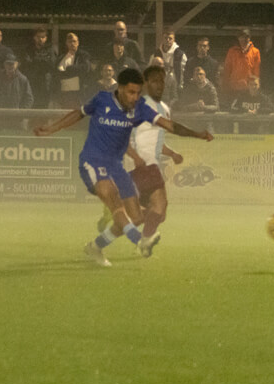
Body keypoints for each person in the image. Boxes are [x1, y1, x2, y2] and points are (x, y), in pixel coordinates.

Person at [32, 67, 213, 266]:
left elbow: (170, 125)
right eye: (131, 92)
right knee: (114, 201)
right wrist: (52, 128)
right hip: (92, 161)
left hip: (116, 167)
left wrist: (197, 134)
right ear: (119, 89)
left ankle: (95, 246)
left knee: (135, 217)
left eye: (138, 93)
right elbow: (79, 114)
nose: (135, 97)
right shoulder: (102, 99)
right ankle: (140, 241)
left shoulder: (140, 108)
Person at [95, 65, 186, 254]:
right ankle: (141, 240)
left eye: (162, 80)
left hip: (150, 166)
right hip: (138, 166)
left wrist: (172, 154)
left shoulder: (164, 109)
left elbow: (156, 142)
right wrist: (134, 156)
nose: (159, 84)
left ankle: (102, 240)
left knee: (151, 214)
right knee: (158, 209)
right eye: (154, 80)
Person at [20, 26, 57, 109]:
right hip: (31, 84)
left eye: (43, 37)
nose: (41, 39)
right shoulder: (28, 49)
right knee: (31, 108)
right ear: (34, 37)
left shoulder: (50, 50)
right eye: (38, 37)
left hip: (45, 85)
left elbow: (51, 64)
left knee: (44, 109)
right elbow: (26, 64)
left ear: (46, 38)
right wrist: (42, 61)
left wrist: (35, 61)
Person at [222, 28, 261, 107]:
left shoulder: (255, 51)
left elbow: (256, 72)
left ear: (249, 38)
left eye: (246, 37)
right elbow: (227, 69)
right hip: (233, 88)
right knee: (232, 109)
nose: (244, 39)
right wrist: (226, 85)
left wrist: (255, 87)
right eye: (241, 37)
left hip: (248, 89)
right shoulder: (232, 51)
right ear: (238, 38)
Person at [54, 32, 93, 109]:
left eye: (74, 41)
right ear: (66, 43)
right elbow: (56, 73)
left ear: (78, 43)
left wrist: (69, 69)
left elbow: (85, 68)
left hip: (78, 95)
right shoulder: (61, 57)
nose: (72, 44)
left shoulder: (83, 55)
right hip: (63, 94)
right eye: (70, 42)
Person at [157, 29, 187, 97]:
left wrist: (181, 86)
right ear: (162, 39)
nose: (168, 40)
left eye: (170, 38)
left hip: (176, 88)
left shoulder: (181, 55)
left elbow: (184, 72)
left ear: (174, 39)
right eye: (165, 38)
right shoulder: (156, 54)